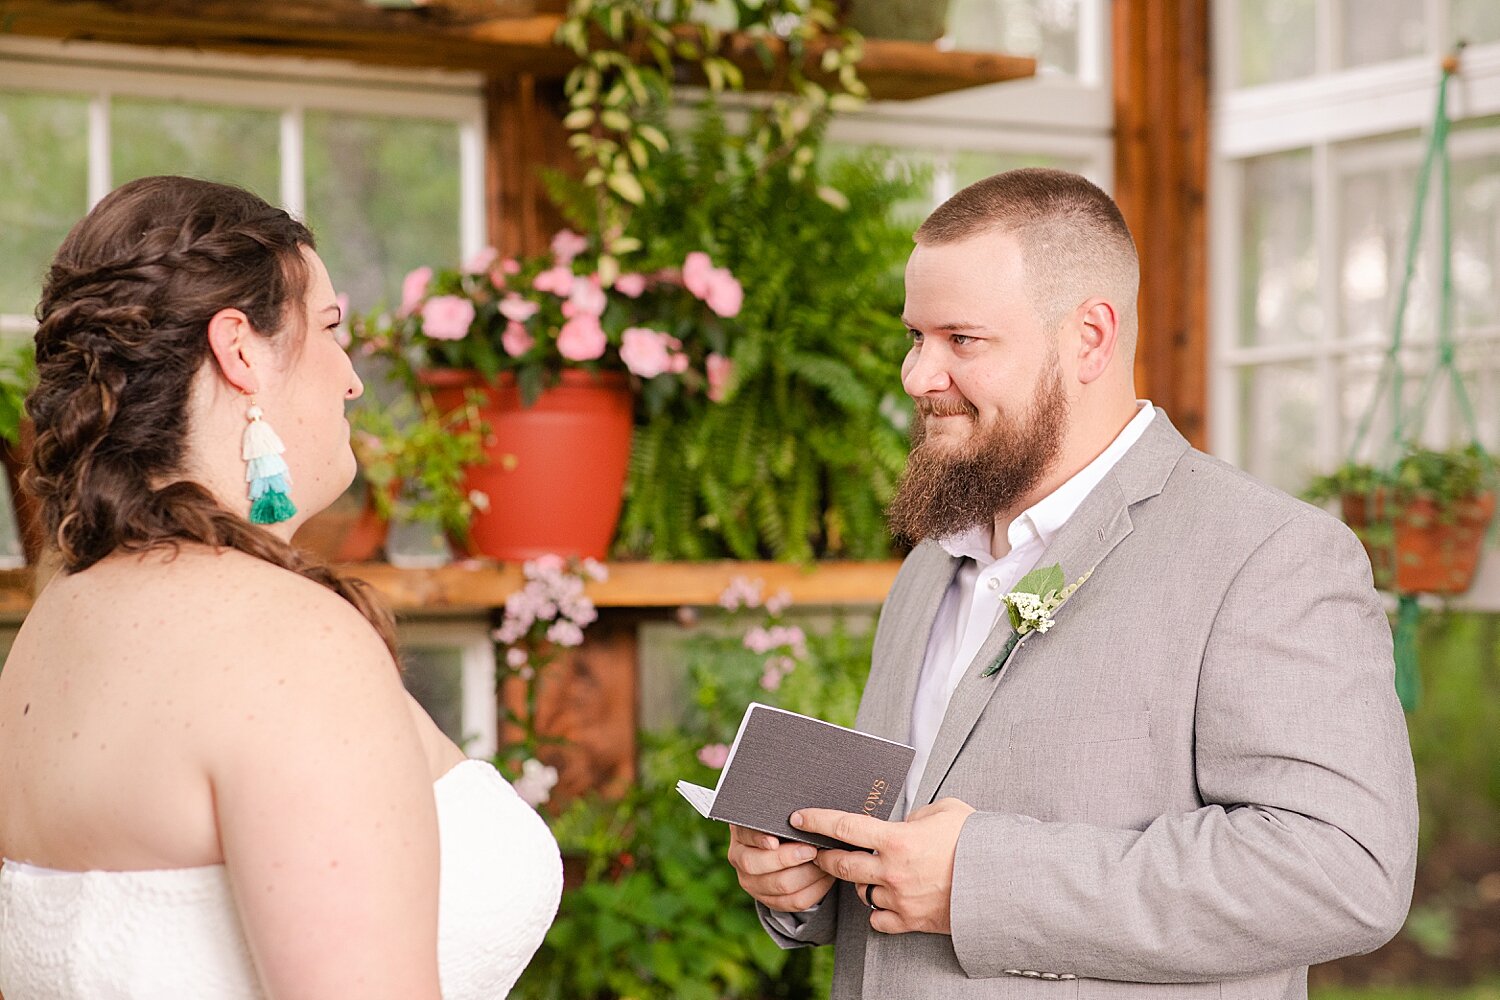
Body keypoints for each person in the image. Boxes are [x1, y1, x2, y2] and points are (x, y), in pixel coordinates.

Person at [727, 168, 1418, 999]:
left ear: (1089, 338)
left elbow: (1345, 870)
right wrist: (805, 881)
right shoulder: (929, 566)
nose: (917, 376)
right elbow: (908, 866)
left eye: (961, 340)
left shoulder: (1271, 556)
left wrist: (985, 879)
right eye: (915, 337)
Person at [0, 176, 560, 1000]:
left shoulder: (55, 629)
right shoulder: (289, 641)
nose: (351, 381)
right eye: (331, 329)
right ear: (240, 351)